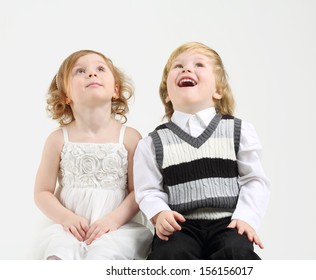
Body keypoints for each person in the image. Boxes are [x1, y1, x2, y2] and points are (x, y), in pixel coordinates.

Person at [134, 42, 271, 260]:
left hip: (228, 221)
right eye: (178, 67)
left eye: (198, 64)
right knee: (170, 254)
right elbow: (148, 190)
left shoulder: (239, 131)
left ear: (218, 91)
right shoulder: (152, 143)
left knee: (235, 251)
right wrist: (160, 213)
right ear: (166, 94)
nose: (187, 69)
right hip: (181, 225)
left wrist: (246, 218)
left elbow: (254, 180)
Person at [34, 50, 152, 260]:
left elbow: (138, 191)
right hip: (69, 229)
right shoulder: (58, 139)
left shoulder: (130, 138)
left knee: (101, 260)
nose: (91, 74)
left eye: (100, 69)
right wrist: (66, 218)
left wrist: (113, 221)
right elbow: (42, 192)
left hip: (116, 228)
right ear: (66, 96)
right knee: (56, 258)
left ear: (115, 90)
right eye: (80, 71)